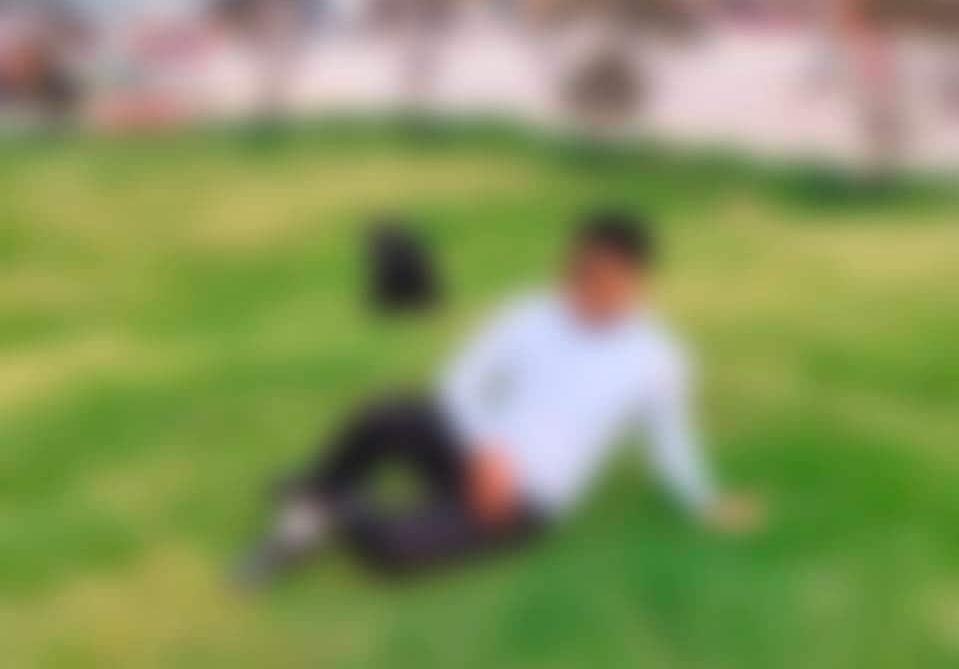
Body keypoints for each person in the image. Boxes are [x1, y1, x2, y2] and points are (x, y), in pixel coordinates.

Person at [236, 213, 764, 584]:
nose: (578, 285)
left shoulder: (657, 358)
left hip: (527, 499)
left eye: (596, 276)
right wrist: (489, 451)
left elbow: (671, 440)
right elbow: (459, 384)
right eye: (574, 269)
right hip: (475, 452)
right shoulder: (531, 311)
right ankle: (312, 495)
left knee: (394, 553)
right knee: (385, 414)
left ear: (633, 280)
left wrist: (705, 502)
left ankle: (328, 509)